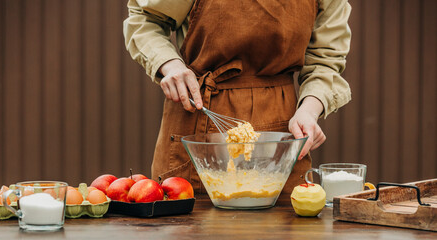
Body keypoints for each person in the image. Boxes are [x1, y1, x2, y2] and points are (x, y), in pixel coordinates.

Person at [123, 0, 352, 194]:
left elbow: (326, 59)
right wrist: (169, 64)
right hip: (197, 123)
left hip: (281, 135)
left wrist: (309, 111)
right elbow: (145, 20)